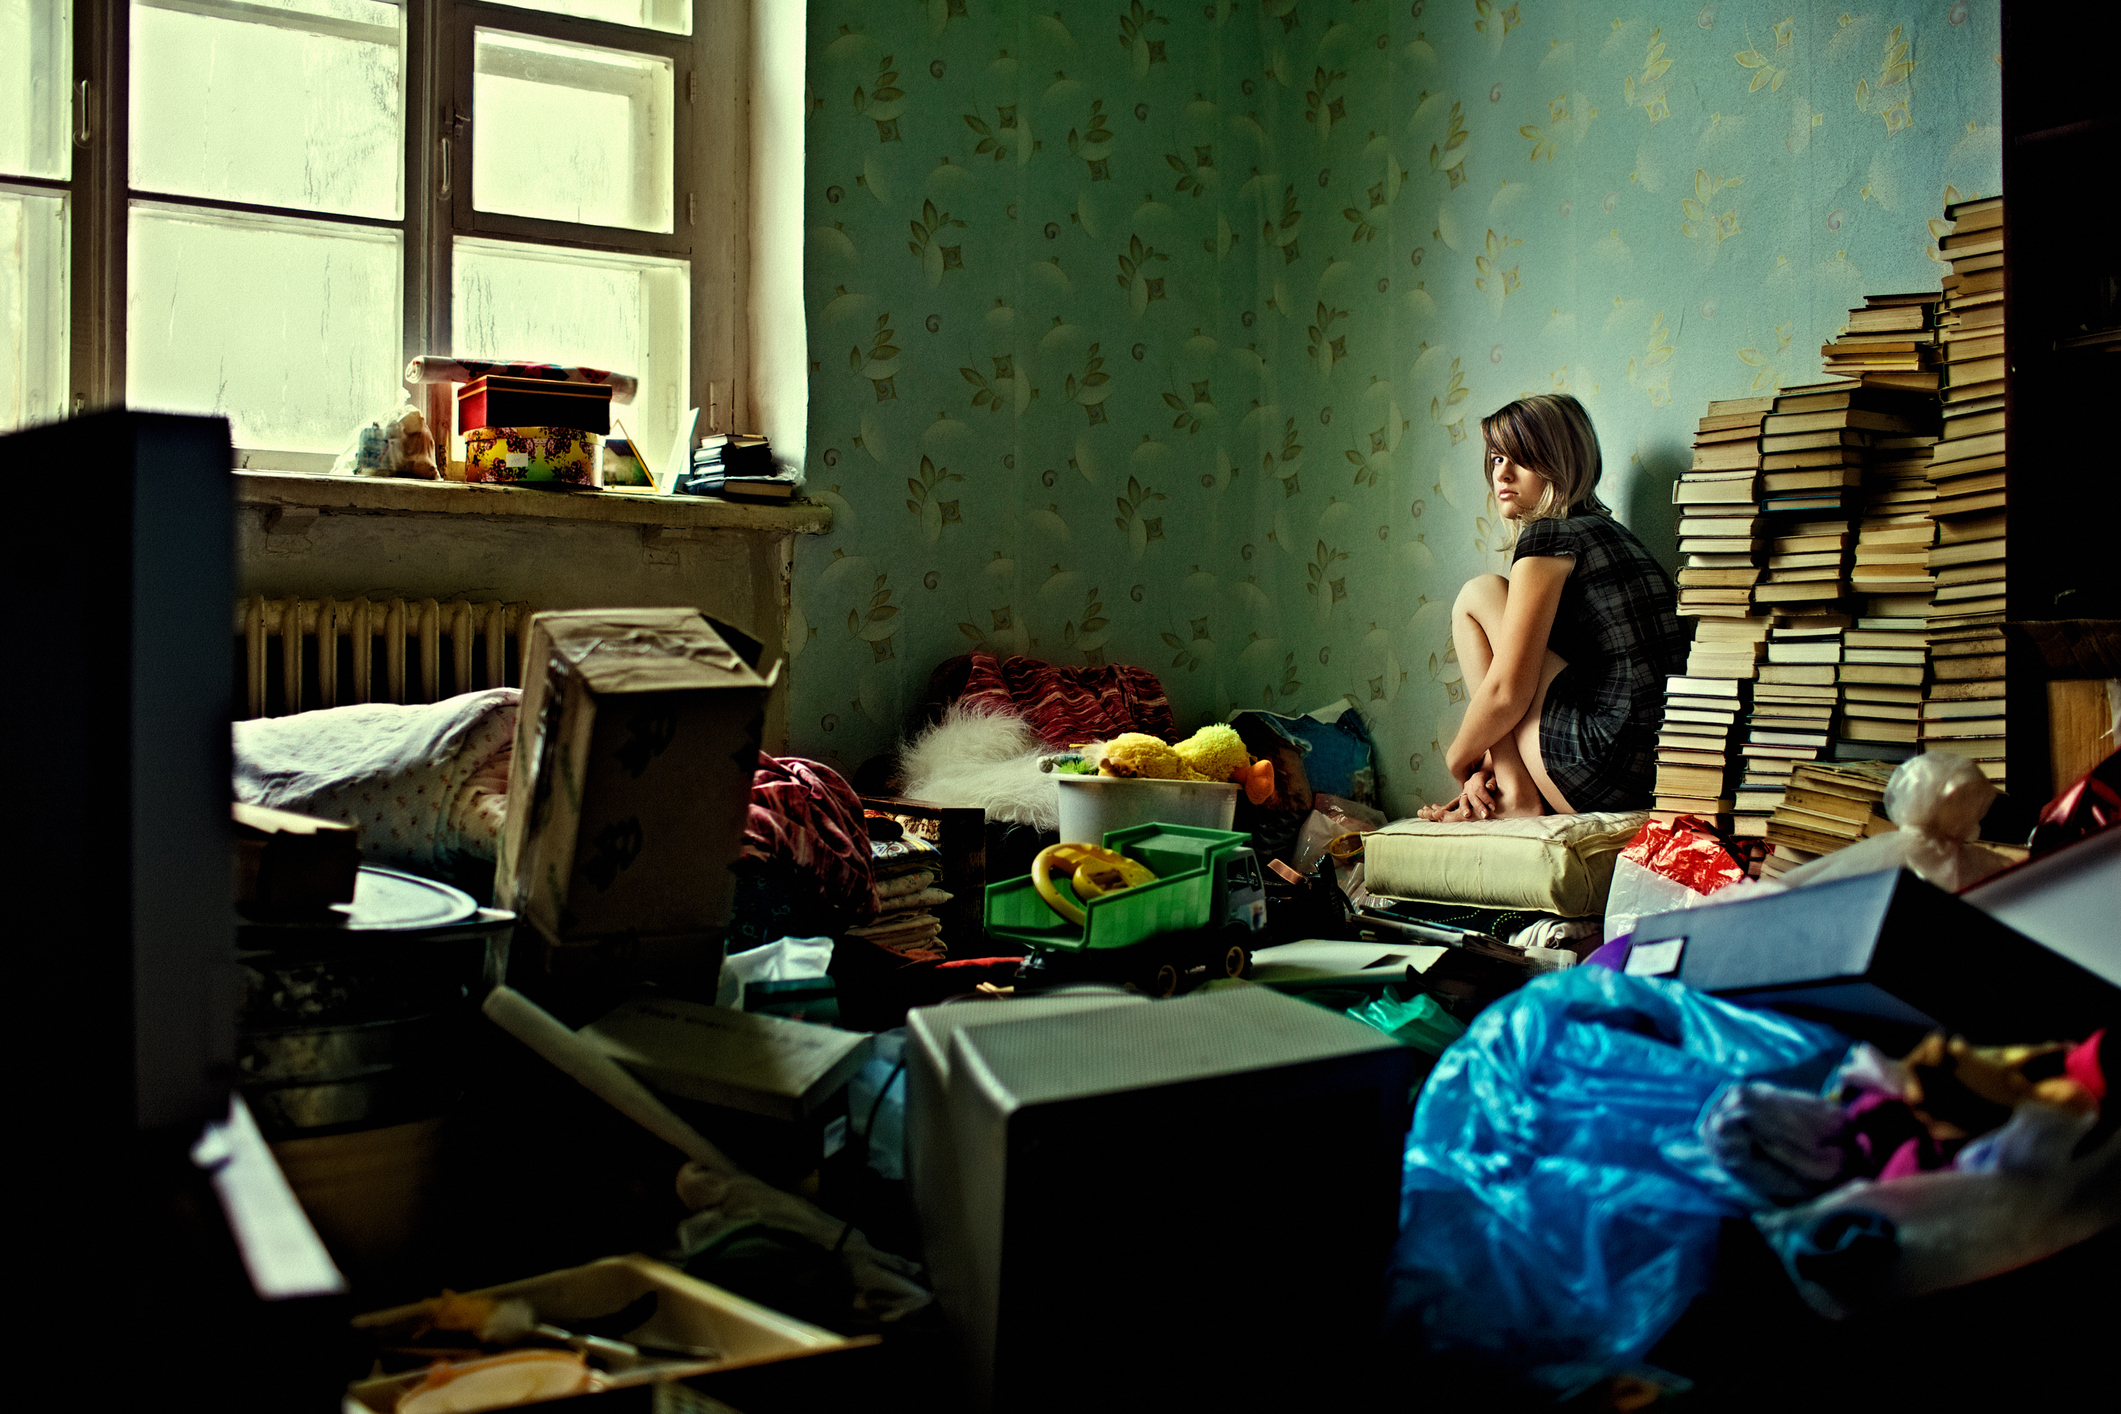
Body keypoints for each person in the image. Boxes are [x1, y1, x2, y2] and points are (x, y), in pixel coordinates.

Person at [1418, 394, 1687, 821]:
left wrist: (1460, 760)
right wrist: (1482, 770)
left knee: (1480, 593)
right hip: (1656, 772)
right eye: (1496, 458)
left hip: (1601, 769)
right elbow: (1544, 696)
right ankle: (1506, 784)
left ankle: (1517, 795)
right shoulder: (1610, 536)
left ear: (1561, 463)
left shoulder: (1548, 538)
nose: (1501, 472)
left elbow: (1509, 693)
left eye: (1521, 458)